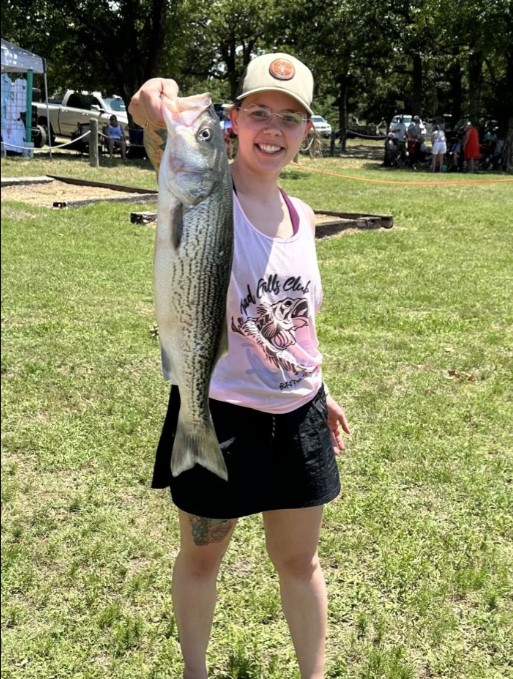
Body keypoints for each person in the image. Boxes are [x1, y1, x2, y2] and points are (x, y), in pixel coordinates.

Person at [129, 52, 350, 679]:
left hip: (298, 415)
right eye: (259, 112)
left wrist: (320, 389)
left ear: (306, 133)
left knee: (301, 565)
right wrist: (153, 112)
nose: (273, 128)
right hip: (218, 409)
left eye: (290, 118)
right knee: (201, 558)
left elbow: (295, 318)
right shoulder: (204, 186)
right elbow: (159, 132)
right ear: (234, 121)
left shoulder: (302, 215)